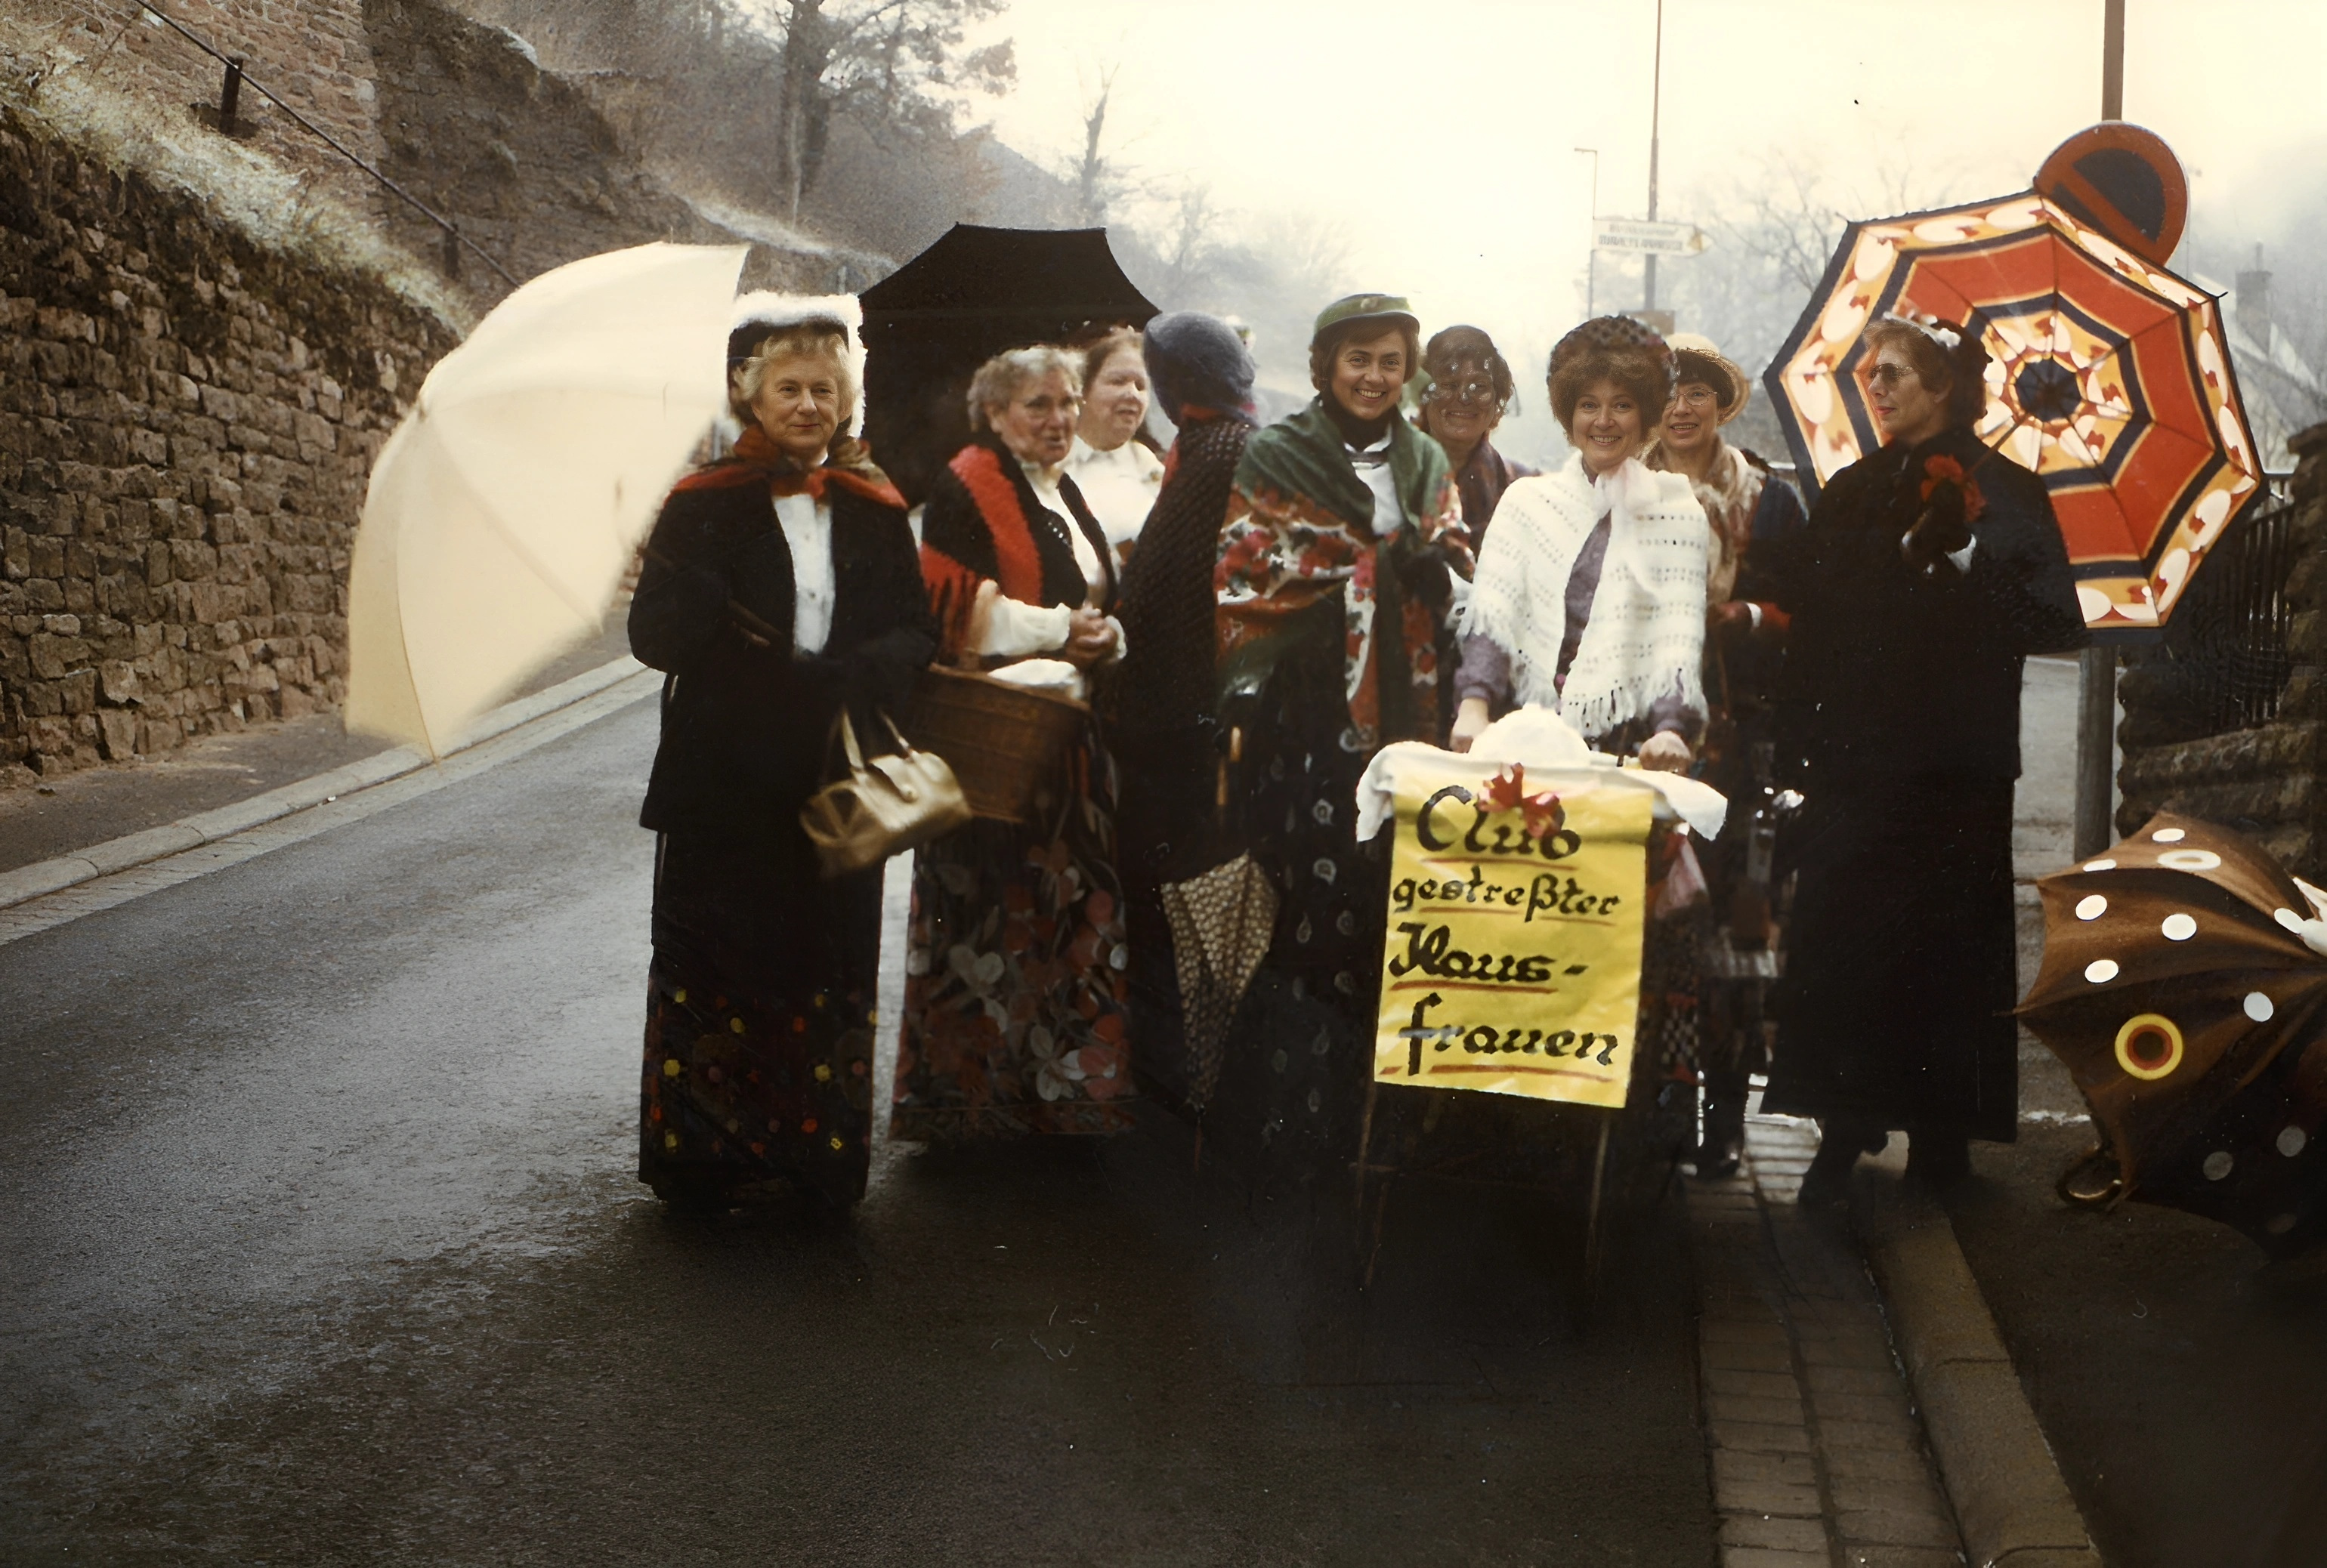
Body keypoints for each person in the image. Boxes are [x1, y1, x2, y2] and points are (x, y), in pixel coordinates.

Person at [1762, 315, 2085, 1204]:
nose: (1874, 382)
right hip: (1856, 760)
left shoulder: (2012, 492)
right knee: (1846, 946)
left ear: (1944, 381)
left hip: (1956, 766)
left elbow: (2057, 622)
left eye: (1893, 369)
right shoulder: (1852, 489)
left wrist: (1973, 558)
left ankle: (1944, 1140)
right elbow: (1814, 629)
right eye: (1869, 370)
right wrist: (1794, 748)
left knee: (1946, 948)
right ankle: (1844, 1124)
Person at [629, 303, 935, 1211]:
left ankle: (815, 1159)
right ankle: (705, 1159)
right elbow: (655, 637)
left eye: (824, 390)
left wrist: (864, 667)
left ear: (846, 402)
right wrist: (700, 590)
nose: (807, 404)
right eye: (789, 387)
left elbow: (914, 630)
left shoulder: (877, 507)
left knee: (824, 961)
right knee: (715, 962)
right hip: (722, 777)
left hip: (827, 773)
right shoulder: (698, 505)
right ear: (745, 393)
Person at [1208, 292, 1472, 1173]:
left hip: (1406, 721)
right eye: (1357, 358)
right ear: (1325, 365)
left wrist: (1435, 571)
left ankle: (1374, 1123)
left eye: (1390, 360)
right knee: (1305, 913)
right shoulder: (1275, 453)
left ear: (1410, 371)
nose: (1372, 376)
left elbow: (1456, 562)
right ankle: (1288, 1123)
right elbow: (1247, 571)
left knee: (1389, 905)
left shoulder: (1426, 457)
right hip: (1307, 715)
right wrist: (1362, 578)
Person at [892, 345, 1138, 1140]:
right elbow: (951, 607)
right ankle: (971, 1106)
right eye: (1038, 405)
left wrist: (1108, 637)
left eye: (1067, 402)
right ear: (994, 414)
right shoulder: (967, 484)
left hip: (1067, 739)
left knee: (1069, 915)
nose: (1060, 419)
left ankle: (1063, 1097)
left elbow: (1100, 589)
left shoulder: (1060, 486)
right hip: (995, 741)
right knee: (989, 919)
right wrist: (1066, 629)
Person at [1645, 333, 1807, 1178]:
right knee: (1645, 921)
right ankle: (1651, 1106)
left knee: (1723, 939)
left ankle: (1722, 1118)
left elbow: (1805, 617)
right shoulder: (1619, 484)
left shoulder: (1767, 503)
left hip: (1732, 747)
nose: (1680, 406)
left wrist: (1741, 620)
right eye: (1666, 390)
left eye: (1697, 391)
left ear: (1721, 404)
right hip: (1637, 736)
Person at [1106, 312, 1260, 1116]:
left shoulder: (1211, 453)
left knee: (1168, 906)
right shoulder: (1218, 443)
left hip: (1175, 723)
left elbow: (1171, 595)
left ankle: (1172, 1095)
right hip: (1189, 721)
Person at [1450, 315, 1707, 765]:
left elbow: (1677, 637)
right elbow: (1494, 615)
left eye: (1622, 405)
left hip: (1628, 744)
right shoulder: (1527, 501)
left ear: (1645, 415)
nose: (1604, 421)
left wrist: (1670, 730)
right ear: (1570, 414)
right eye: (1588, 405)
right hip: (1521, 731)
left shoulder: (1677, 513)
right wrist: (1474, 706)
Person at [1414, 325, 1535, 548]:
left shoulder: (1526, 491)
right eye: (1448, 385)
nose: (1464, 398)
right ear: (1423, 395)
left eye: (1479, 386)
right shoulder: (1382, 476)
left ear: (1497, 397)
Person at [1065, 326, 1166, 561]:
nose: (1133, 394)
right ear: (1082, 391)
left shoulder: (1148, 463)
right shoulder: (1049, 462)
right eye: (1118, 381)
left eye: (1141, 386)